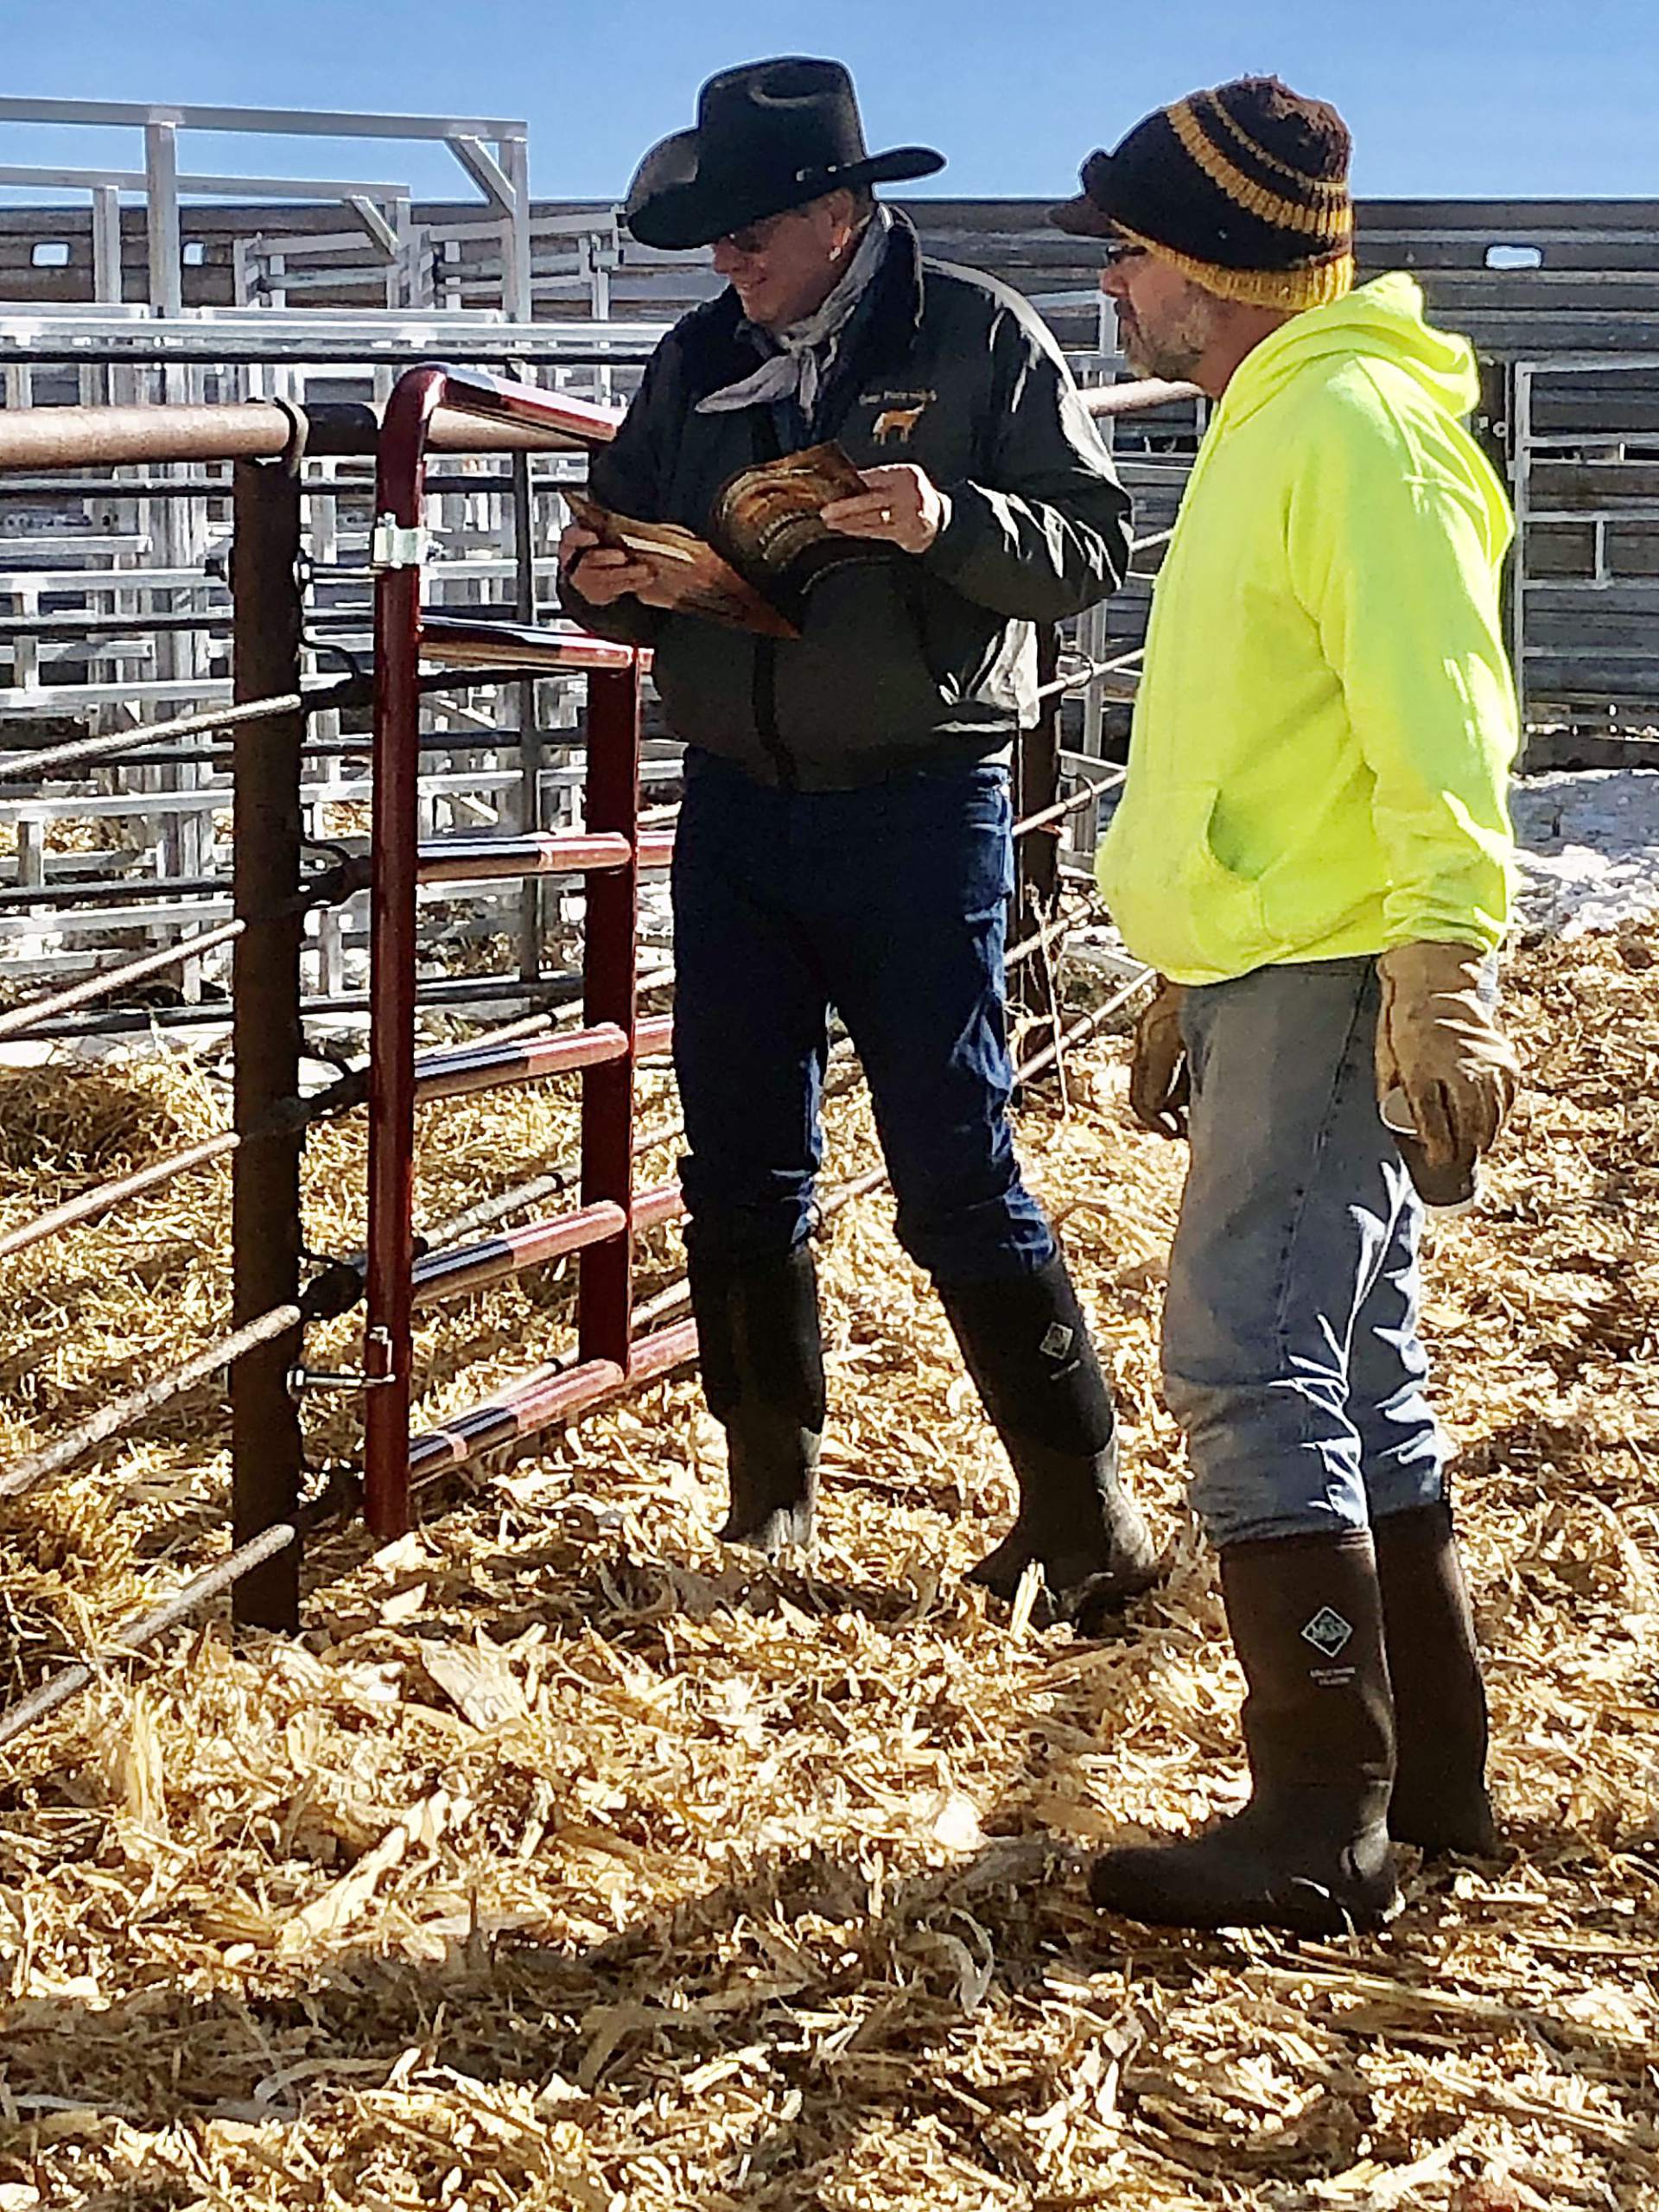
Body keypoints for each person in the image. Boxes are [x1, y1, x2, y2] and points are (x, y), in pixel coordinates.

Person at [558, 56, 1160, 1625]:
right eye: (717, 236)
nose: (727, 262)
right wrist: (609, 576)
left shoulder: (977, 337)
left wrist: (948, 523)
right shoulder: (698, 361)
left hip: (919, 799)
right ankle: (769, 1491)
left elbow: (1093, 545)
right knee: (738, 1155)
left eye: (752, 230)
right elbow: (610, 517)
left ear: (838, 210)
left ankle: (1081, 1499)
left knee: (955, 1161)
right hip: (741, 804)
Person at [1048, 75, 1521, 1929]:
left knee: (1249, 1352)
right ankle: (1435, 1774)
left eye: (1133, 253)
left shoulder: (1347, 433)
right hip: (1288, 949)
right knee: (1355, 1362)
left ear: (1212, 264)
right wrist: (1189, 949)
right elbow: (1282, 722)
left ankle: (1324, 1813)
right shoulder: (1288, 416)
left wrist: (1443, 962)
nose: (1115, 289)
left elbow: (1440, 715)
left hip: (1332, 958)